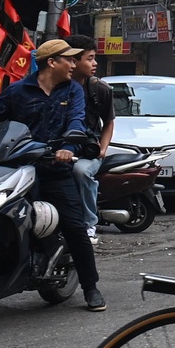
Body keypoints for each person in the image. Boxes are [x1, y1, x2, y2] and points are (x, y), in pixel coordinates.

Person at [0, 39, 103, 313]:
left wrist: (67, 148)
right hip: (18, 169)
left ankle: (90, 287)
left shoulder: (73, 91)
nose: (74, 64)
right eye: (69, 60)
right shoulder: (18, 90)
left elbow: (76, 121)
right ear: (52, 62)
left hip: (54, 170)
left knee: (75, 228)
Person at [67, 35, 114, 240]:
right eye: (90, 59)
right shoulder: (57, 86)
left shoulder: (99, 89)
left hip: (88, 151)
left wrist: (102, 149)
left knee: (81, 171)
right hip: (60, 148)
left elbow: (109, 121)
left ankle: (88, 224)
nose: (95, 64)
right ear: (73, 60)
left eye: (95, 58)